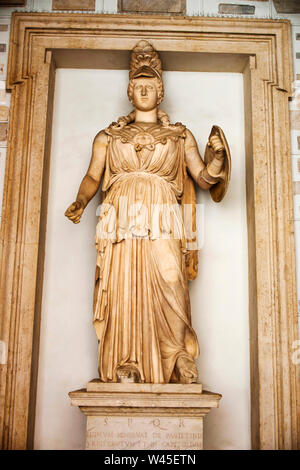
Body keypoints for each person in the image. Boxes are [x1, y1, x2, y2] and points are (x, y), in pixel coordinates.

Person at [65, 40, 229, 384]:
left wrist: (217, 160)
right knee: (124, 285)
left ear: (160, 92)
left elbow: (203, 177)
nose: (143, 91)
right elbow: (93, 176)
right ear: (129, 91)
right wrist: (81, 201)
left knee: (171, 281)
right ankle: (127, 362)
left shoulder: (179, 135)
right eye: (137, 86)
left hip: (163, 216)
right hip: (121, 218)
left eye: (150, 86)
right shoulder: (108, 137)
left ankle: (179, 358)